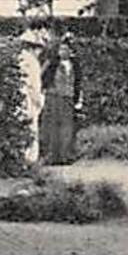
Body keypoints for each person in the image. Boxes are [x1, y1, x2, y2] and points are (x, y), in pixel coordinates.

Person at [39, 35, 79, 165]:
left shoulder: (75, 65)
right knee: (52, 126)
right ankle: (51, 157)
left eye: (66, 49)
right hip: (54, 97)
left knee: (67, 127)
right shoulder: (52, 63)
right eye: (61, 49)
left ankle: (65, 156)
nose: (63, 52)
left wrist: (78, 98)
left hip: (68, 97)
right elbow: (41, 76)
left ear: (70, 51)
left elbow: (78, 82)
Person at [17, 30, 48, 165]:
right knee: (31, 128)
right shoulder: (33, 62)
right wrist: (40, 101)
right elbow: (35, 86)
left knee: (20, 127)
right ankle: (29, 160)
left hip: (17, 98)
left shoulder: (19, 58)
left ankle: (20, 158)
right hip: (28, 98)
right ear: (33, 48)